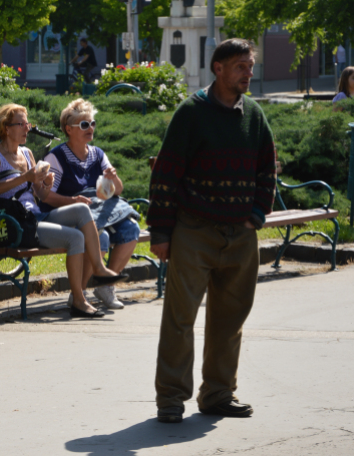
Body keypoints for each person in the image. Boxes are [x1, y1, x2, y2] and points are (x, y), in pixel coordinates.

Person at [148, 39, 276, 423]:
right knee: (180, 317)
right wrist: (161, 232)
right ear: (217, 69)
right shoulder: (191, 113)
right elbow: (166, 175)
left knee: (230, 317)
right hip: (194, 230)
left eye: (250, 66)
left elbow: (267, 170)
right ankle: (171, 398)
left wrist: (256, 215)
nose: (247, 73)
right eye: (240, 66)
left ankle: (218, 393)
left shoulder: (253, 115)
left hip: (240, 233)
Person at [0, 104, 126, 319]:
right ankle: (79, 300)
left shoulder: (27, 153)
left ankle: (98, 268)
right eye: (21, 124)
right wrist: (25, 177)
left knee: (80, 208)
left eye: (27, 124)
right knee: (75, 237)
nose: (27, 129)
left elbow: (40, 195)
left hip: (34, 216)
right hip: (15, 221)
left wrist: (46, 183)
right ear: (6, 127)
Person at [42, 98, 140, 310]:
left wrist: (113, 178)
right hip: (69, 214)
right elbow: (46, 197)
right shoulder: (56, 157)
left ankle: (106, 286)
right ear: (68, 129)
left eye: (92, 123)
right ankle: (80, 292)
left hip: (99, 210)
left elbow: (117, 191)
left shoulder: (97, 154)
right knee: (100, 235)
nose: (90, 128)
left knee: (132, 228)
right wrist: (73, 200)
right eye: (84, 125)